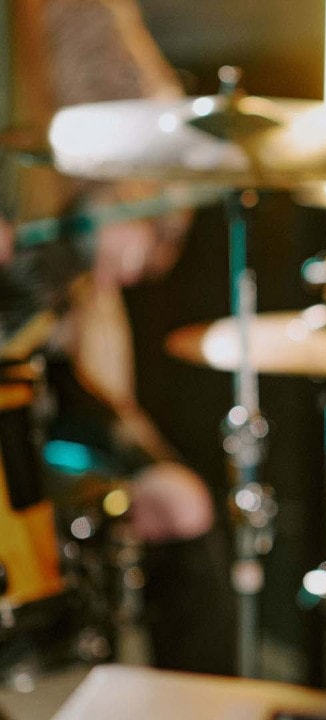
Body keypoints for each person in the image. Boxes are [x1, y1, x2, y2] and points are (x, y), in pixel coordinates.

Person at [0, 0, 234, 675]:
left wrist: (118, 203)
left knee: (178, 509)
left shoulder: (62, 10)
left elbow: (160, 137)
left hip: (38, 370)